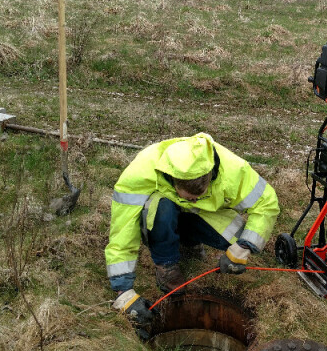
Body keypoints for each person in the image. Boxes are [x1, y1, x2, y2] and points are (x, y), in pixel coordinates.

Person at [106, 132, 280, 338]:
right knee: (163, 209)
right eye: (190, 197)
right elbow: (122, 233)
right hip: (160, 217)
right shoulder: (141, 171)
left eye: (200, 196)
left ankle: (190, 241)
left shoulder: (232, 169)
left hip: (206, 217)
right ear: (173, 180)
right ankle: (166, 264)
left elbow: (267, 203)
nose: (195, 200)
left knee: (240, 236)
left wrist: (244, 246)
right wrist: (123, 291)